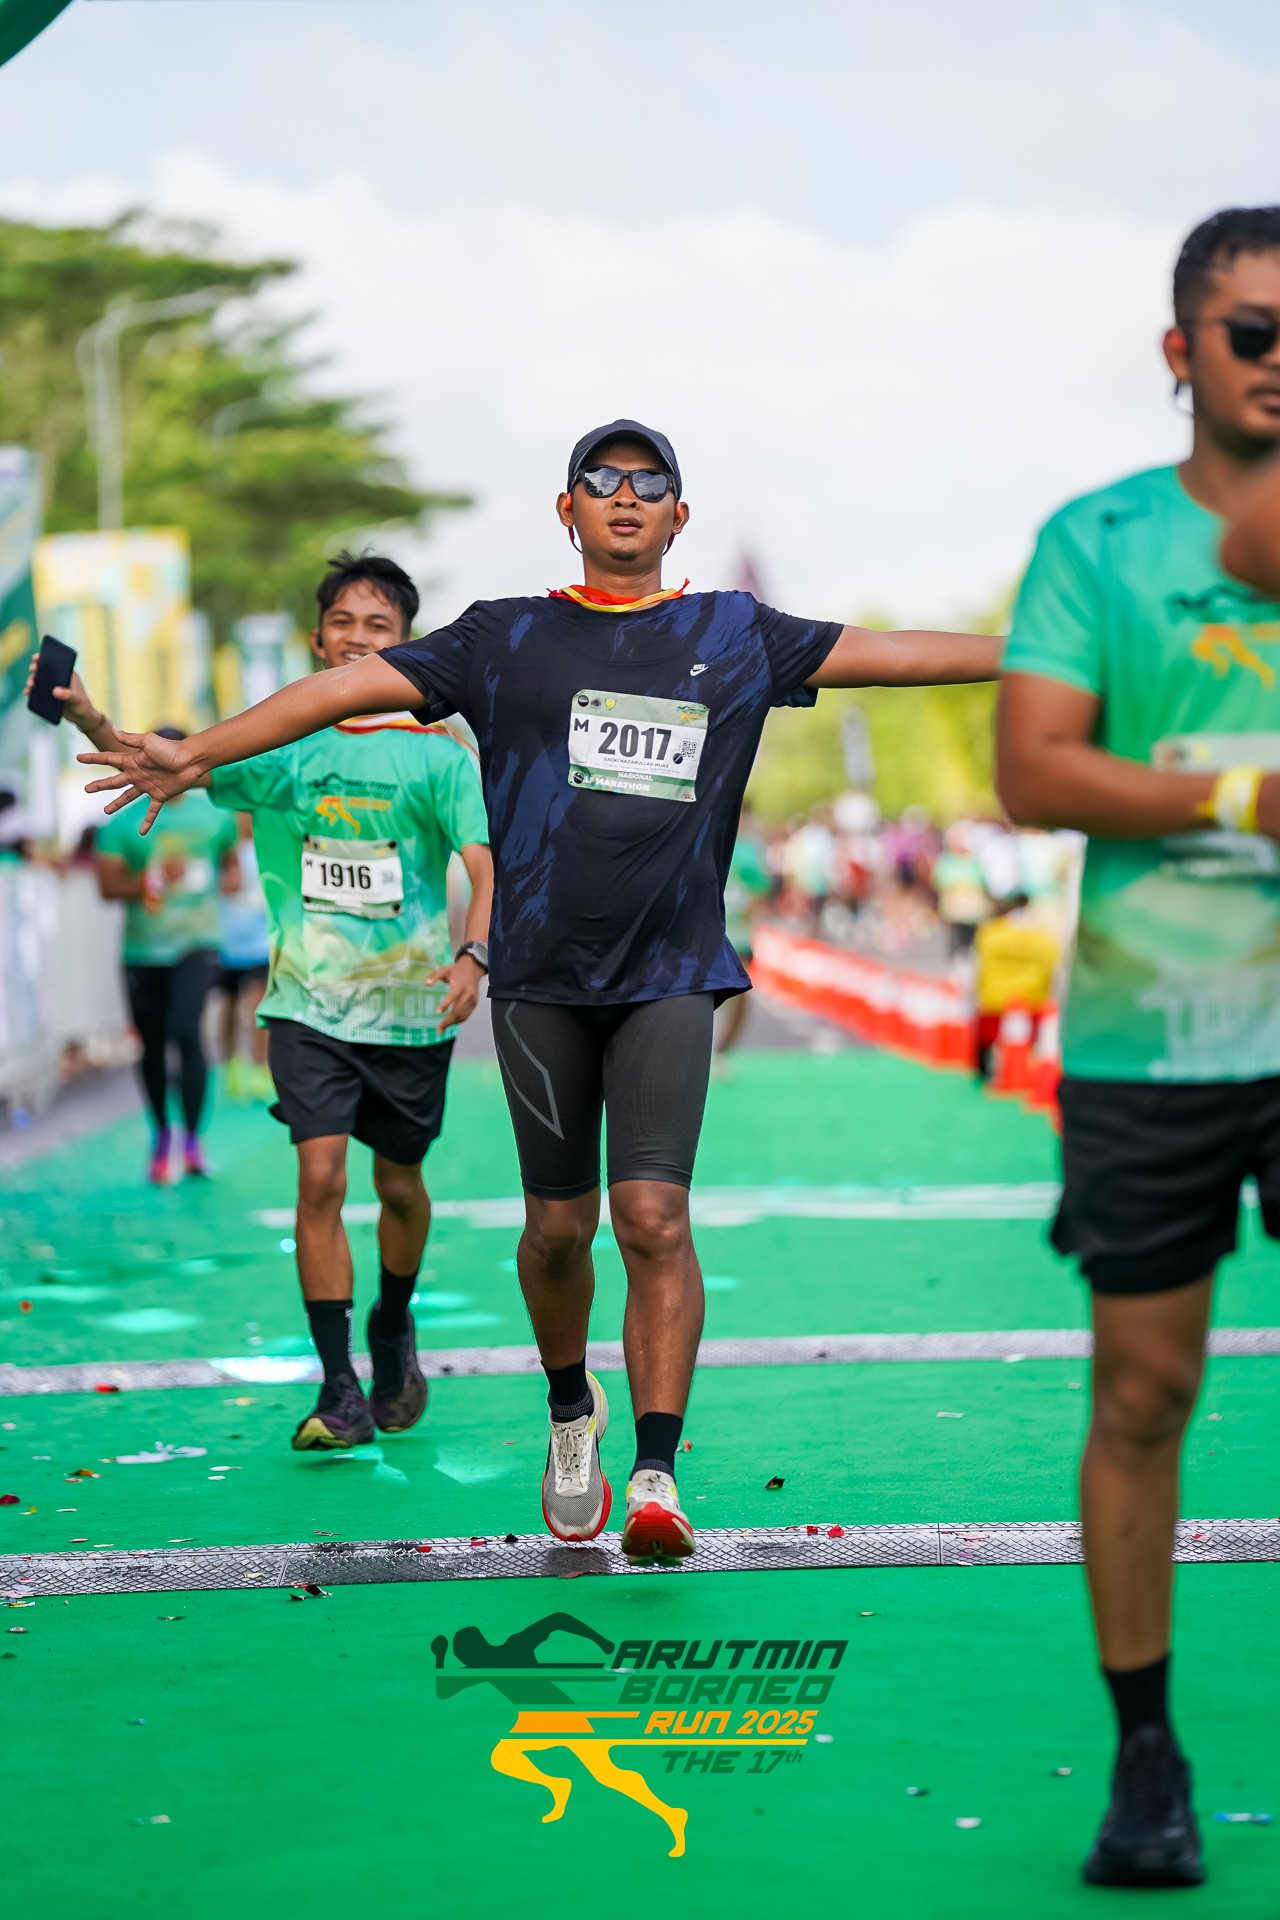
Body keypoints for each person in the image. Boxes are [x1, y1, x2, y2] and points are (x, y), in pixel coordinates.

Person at [79, 418, 1002, 1560]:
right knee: (558, 1232)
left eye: (649, 482)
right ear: (567, 510)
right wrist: (199, 752)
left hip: (670, 974)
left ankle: (657, 1472)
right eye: (600, 480)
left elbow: (898, 654)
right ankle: (571, 1411)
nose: (625, 495)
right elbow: (344, 687)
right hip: (539, 983)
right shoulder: (501, 637)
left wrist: (1043, 652)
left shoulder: (734, 632)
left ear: (678, 515)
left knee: (652, 1217)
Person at [997, 207, 1280, 1889]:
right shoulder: (1096, 541)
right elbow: (1036, 765)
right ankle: (1147, 1756)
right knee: (1145, 1390)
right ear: (1184, 352)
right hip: (1150, 1032)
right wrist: (1243, 792)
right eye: (1254, 331)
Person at [51, 551, 493, 1453]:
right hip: (305, 1005)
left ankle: (392, 1321)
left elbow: (484, 864)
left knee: (399, 1184)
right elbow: (171, 759)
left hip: (410, 1008)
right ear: (317, 639)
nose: (358, 638)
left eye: (379, 627)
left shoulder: (441, 754)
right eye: (343, 623)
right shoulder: (280, 741)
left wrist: (473, 955)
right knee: (320, 1176)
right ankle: (339, 1387)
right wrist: (90, 716)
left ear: (405, 645)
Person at [92, 726, 237, 1183]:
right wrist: (150, 881)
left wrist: (226, 880)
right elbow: (107, 887)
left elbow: (230, 866)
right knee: (152, 1044)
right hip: (143, 951)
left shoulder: (215, 816)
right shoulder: (122, 820)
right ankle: (162, 1134)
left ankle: (193, 1139)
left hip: (197, 944)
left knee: (186, 1030)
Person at [971, 890, 1061, 1081]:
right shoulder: (1044, 937)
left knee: (988, 1042)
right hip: (1032, 1000)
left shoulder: (990, 932)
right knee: (1029, 1047)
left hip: (996, 1000)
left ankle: (986, 1073)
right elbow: (1053, 968)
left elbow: (977, 964)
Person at [218, 813, 273, 1101]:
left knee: (257, 1007)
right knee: (228, 1006)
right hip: (225, 943)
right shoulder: (224, 849)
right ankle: (230, 1067)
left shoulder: (267, 847)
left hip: (258, 944)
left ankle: (260, 1067)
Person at [714, 804, 772, 1071]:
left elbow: (759, 891)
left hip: (737, 935)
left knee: (737, 993)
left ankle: (723, 1050)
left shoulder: (748, 849)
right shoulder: (709, 838)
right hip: (708, 930)